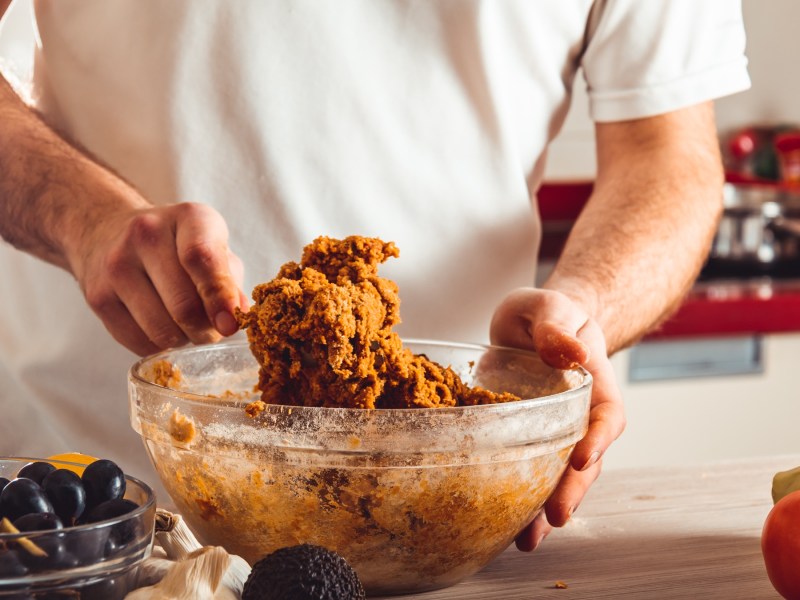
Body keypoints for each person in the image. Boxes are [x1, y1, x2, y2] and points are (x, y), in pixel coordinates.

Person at [0, 0, 748, 551]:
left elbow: (668, 152)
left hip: (454, 505)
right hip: (90, 513)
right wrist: (86, 219)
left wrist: (584, 308)